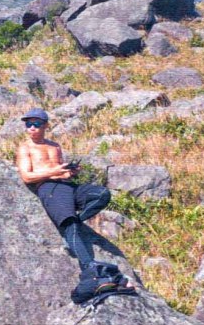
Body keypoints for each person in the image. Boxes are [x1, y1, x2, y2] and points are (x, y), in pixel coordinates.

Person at [16, 108, 128, 303]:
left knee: (101, 194)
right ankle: (89, 268)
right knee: (70, 224)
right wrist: (54, 171)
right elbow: (27, 176)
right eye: (28, 124)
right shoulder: (25, 148)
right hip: (49, 188)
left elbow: (62, 172)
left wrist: (69, 172)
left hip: (67, 186)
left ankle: (75, 222)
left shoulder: (55, 146)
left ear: (45, 126)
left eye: (36, 124)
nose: (32, 128)